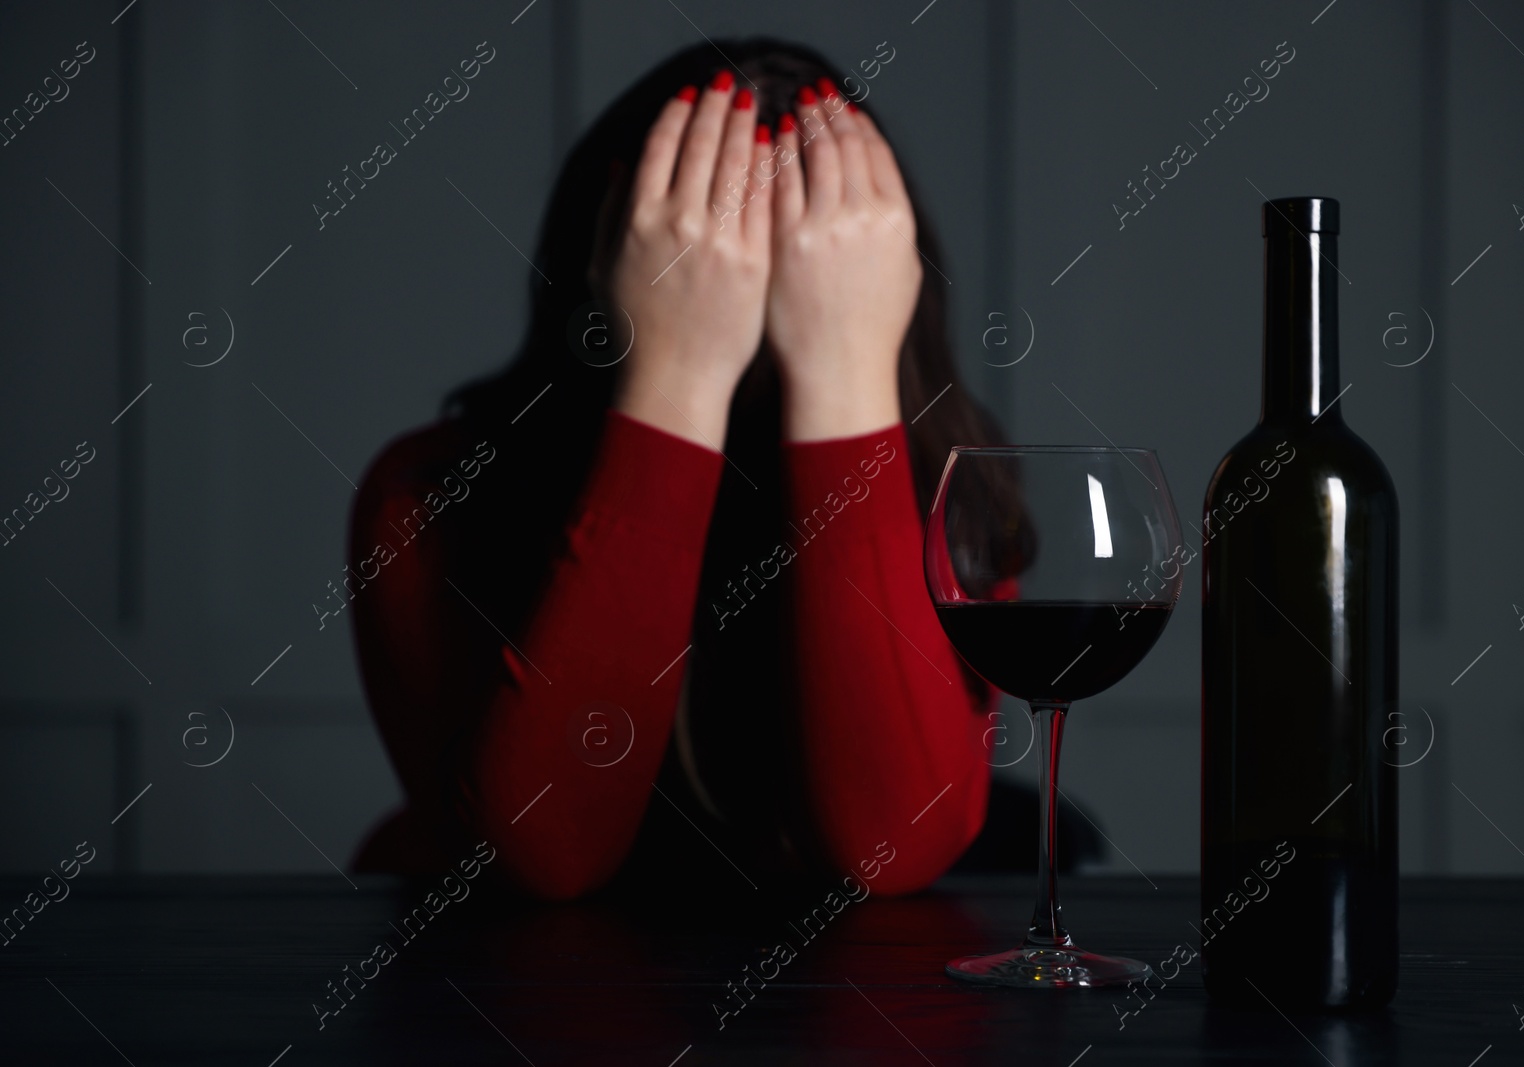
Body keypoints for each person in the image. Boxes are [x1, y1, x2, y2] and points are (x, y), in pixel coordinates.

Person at [346, 39, 1040, 901]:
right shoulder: (427, 495)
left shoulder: (955, 489)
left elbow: (889, 847)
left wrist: (844, 367)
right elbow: (544, 853)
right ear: (602, 259)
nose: (744, 286)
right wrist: (675, 371)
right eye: (705, 254)